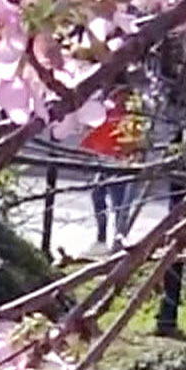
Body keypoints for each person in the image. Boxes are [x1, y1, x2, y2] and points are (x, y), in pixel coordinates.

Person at [79, 87, 146, 250]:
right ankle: (102, 236)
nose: (119, 101)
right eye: (117, 97)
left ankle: (118, 241)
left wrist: (128, 155)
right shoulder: (108, 113)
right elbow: (94, 135)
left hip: (122, 166)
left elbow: (137, 143)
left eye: (123, 97)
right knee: (97, 195)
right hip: (106, 163)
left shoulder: (132, 119)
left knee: (119, 204)